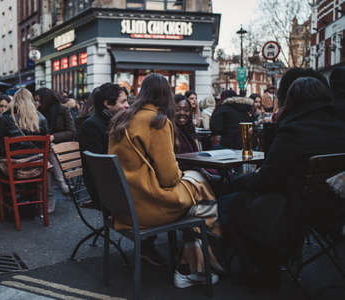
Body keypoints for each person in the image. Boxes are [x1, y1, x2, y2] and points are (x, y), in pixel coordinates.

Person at [227, 77, 345, 287]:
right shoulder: (339, 127)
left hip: (298, 211)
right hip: (335, 208)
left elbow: (267, 180)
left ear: (292, 100)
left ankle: (263, 271)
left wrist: (237, 181)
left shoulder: (293, 131)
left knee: (235, 202)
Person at [109, 73, 222, 288]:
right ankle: (193, 268)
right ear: (166, 96)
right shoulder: (157, 121)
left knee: (196, 191)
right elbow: (169, 178)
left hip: (124, 206)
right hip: (148, 205)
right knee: (202, 194)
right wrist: (187, 178)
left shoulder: (122, 119)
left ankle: (191, 267)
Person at [0, 88, 51, 211]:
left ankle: (3, 205)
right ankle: (31, 203)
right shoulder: (42, 118)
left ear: (14, 101)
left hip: (14, 169)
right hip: (37, 168)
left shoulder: (4, 118)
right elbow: (47, 147)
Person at [36, 88, 76, 195]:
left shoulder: (62, 109)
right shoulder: (38, 112)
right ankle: (61, 184)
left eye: (38, 100)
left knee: (48, 152)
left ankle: (51, 195)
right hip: (46, 147)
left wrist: (54, 137)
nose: (37, 102)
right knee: (47, 155)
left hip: (62, 145)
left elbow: (71, 132)